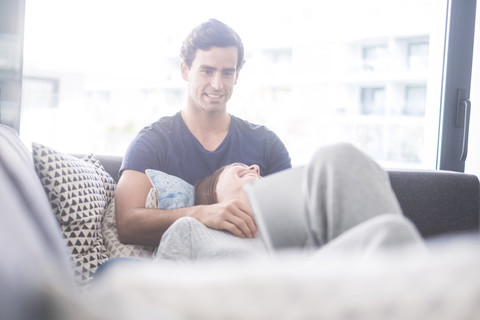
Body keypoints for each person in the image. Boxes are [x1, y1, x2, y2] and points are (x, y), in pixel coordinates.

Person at [114, 19, 291, 247]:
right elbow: (127, 224)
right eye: (207, 71)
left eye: (227, 73)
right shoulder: (153, 141)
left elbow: (291, 220)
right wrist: (204, 215)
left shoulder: (266, 143)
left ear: (237, 75)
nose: (217, 84)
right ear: (185, 70)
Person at [155, 143, 426, 262]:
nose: (254, 167)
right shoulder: (189, 230)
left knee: (337, 158)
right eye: (239, 168)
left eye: (255, 169)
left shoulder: (299, 233)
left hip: (324, 292)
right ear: (214, 194)